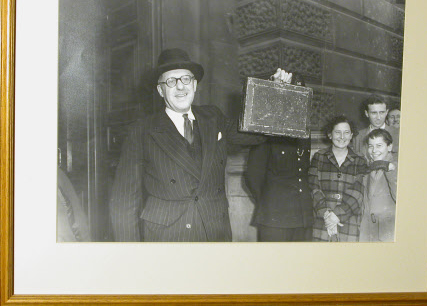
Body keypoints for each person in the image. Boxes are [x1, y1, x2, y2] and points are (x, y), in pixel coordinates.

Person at [110, 48, 290, 242]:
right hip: (168, 239)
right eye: (171, 81)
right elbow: (123, 202)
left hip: (214, 234)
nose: (180, 87)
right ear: (161, 90)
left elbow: (256, 135)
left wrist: (276, 93)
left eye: (186, 79)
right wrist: (129, 256)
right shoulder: (142, 131)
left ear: (195, 85)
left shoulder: (213, 117)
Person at [245, 74, 313, 242]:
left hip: (303, 217)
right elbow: (253, 176)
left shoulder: (304, 132)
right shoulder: (266, 129)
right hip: (275, 217)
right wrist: (272, 201)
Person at [308, 115, 367, 242]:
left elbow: (358, 192)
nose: (342, 137)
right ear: (330, 135)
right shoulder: (319, 157)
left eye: (346, 133)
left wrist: (337, 215)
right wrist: (326, 214)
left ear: (351, 135)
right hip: (323, 221)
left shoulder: (360, 160)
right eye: (337, 132)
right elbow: (313, 187)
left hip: (348, 221)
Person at [359, 129, 397, 242]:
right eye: (371, 146)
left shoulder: (397, 167)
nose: (374, 150)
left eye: (379, 145)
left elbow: (400, 198)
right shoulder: (368, 168)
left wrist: (390, 170)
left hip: (387, 231)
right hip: (367, 231)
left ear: (389, 147)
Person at [352, 94, 399, 159]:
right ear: (366, 113)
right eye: (374, 113)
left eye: (382, 112)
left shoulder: (398, 134)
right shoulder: (358, 136)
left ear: (386, 112)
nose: (378, 117)